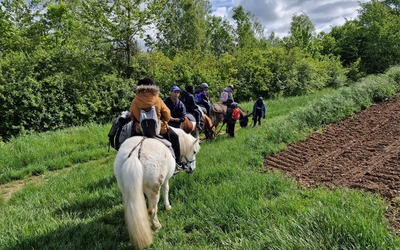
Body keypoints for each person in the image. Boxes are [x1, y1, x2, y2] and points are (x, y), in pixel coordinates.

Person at [130, 77, 187, 169]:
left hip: (141, 130)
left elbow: (132, 116)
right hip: (159, 130)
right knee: (175, 137)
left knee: (130, 143)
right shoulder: (157, 99)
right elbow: (167, 114)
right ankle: (178, 162)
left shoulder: (135, 100)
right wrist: (163, 122)